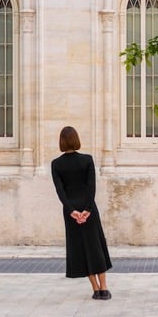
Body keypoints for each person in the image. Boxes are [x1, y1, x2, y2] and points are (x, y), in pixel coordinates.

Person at [51, 125, 113, 300]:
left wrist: (72, 212)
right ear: (76, 139)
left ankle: (95, 289)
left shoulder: (56, 164)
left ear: (61, 142)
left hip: (70, 211)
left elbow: (60, 191)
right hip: (89, 209)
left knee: (80, 249)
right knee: (95, 247)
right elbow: (92, 187)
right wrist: (87, 210)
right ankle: (104, 288)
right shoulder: (87, 160)